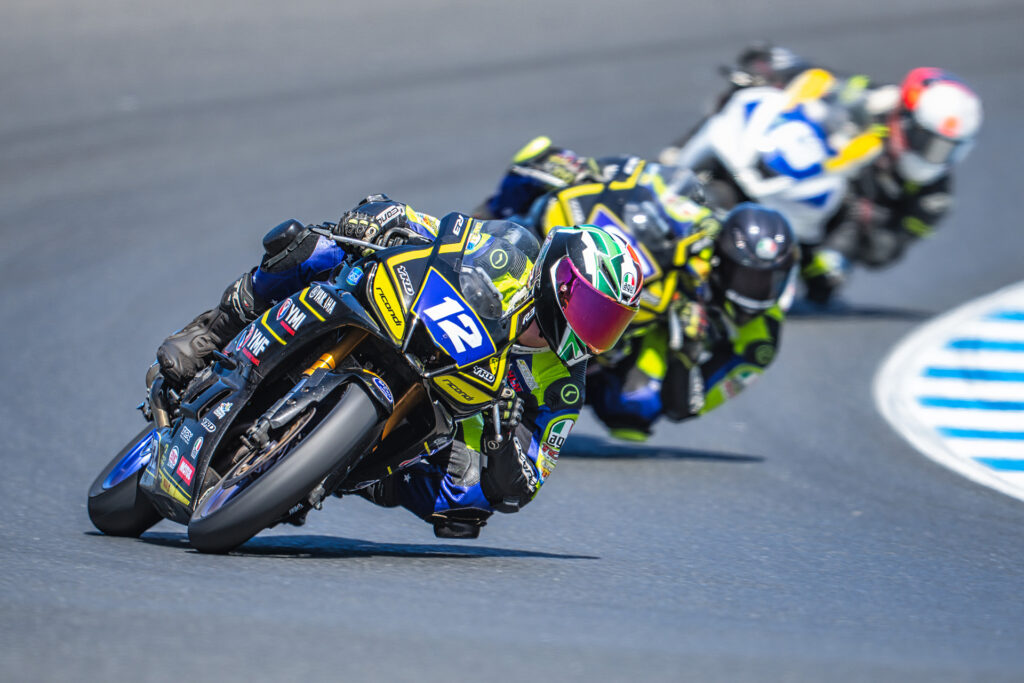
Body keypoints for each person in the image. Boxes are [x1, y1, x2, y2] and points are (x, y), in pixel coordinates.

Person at [155, 195, 643, 538]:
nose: (594, 330)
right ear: (559, 278)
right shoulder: (509, 255)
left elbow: (525, 485)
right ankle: (215, 329)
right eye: (592, 309)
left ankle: (336, 472)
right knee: (312, 246)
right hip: (406, 316)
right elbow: (437, 228)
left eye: (609, 322)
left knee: (466, 504)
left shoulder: (564, 385)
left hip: (453, 416)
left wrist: (501, 442)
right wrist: (382, 218)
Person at [478, 138, 796, 440]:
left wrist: (687, 352)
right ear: (722, 259)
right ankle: (477, 225)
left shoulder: (761, 340)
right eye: (748, 278)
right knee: (536, 162)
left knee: (636, 405)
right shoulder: (706, 235)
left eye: (771, 279)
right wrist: (591, 170)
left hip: (663, 349)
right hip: (667, 291)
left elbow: (687, 406)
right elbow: (652, 182)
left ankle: (575, 377)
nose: (758, 290)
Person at [662, 45, 984, 304]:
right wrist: (776, 68)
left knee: (823, 276)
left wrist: (862, 219)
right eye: (931, 144)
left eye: (947, 149)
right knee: (743, 93)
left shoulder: (933, 197)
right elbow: (829, 83)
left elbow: (884, 251)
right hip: (803, 167)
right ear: (906, 120)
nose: (935, 156)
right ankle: (678, 153)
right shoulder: (879, 101)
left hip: (831, 226)